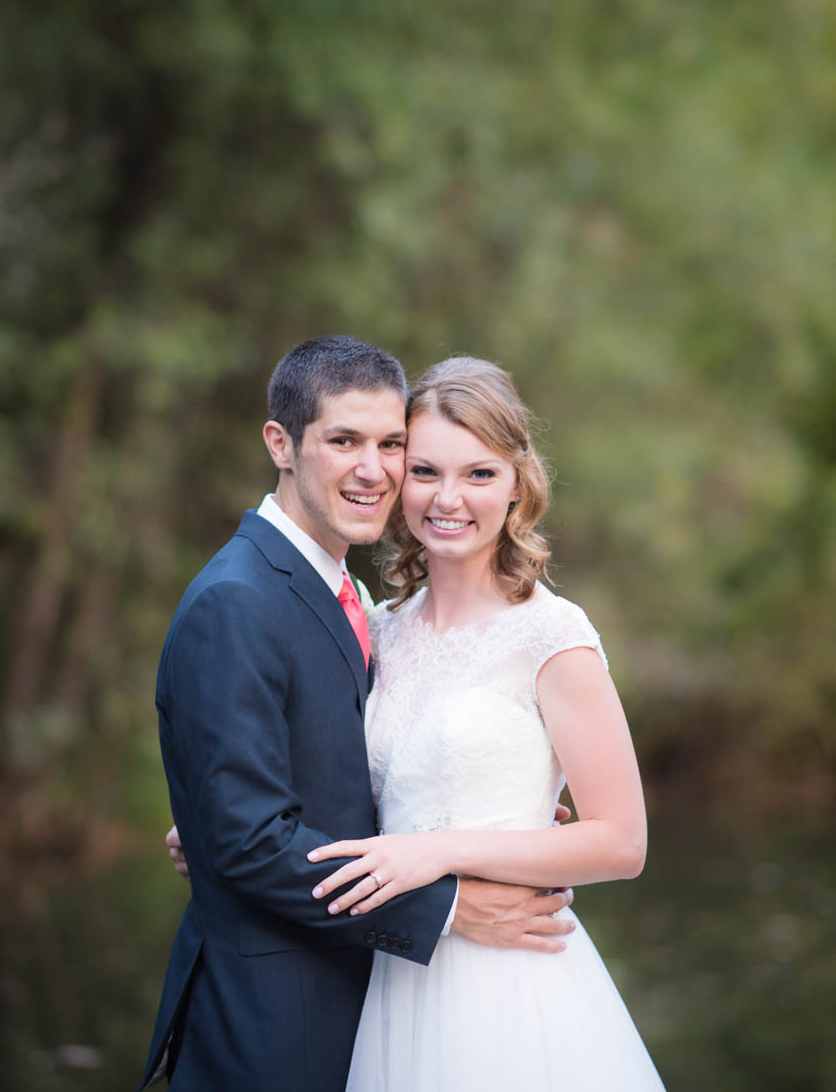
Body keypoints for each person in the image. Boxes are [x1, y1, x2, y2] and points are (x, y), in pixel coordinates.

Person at [139, 337, 576, 1092]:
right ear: (281, 443)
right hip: (275, 1025)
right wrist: (452, 909)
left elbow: (336, 772)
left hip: (378, 1006)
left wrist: (507, 814)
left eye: (391, 444)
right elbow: (248, 844)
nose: (373, 469)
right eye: (344, 441)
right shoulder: (236, 602)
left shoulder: (358, 603)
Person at [306, 356, 665, 1091]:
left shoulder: (552, 637)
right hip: (398, 972)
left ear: (516, 485)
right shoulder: (381, 631)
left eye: (479, 474)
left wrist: (441, 851)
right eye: (428, 471)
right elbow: (354, 786)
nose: (449, 499)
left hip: (512, 984)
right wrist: (231, 824)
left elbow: (622, 841)